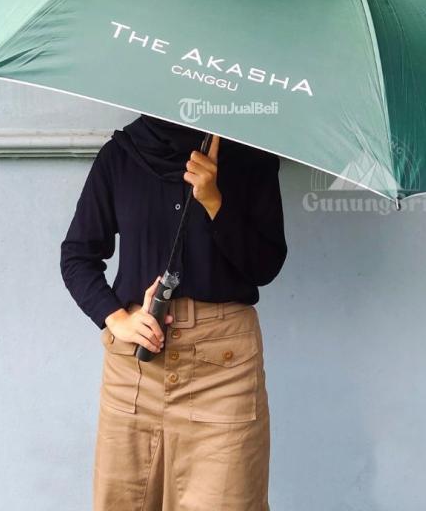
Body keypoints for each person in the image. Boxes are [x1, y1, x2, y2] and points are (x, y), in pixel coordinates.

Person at [60, 113, 288, 510]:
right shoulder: (121, 156)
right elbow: (78, 256)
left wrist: (214, 201)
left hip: (224, 371)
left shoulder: (249, 155)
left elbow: (265, 266)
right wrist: (117, 319)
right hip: (135, 367)